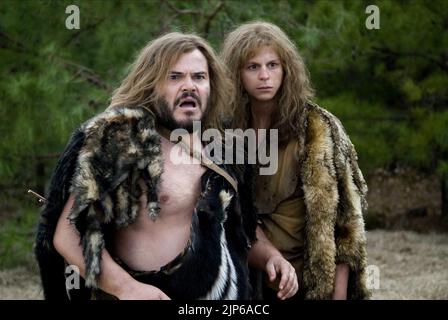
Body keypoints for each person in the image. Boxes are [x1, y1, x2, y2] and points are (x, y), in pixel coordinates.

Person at [34, 32, 297, 300]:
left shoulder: (225, 148)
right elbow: (68, 233)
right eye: (174, 77)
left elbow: (239, 232)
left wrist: (270, 257)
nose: (189, 86)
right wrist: (125, 287)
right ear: (152, 84)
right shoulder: (123, 142)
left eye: (199, 77)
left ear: (211, 86)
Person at [221, 21, 370, 300]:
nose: (264, 75)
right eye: (253, 67)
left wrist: (336, 296)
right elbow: (223, 216)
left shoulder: (317, 127)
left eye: (272, 65)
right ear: (236, 74)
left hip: (309, 282)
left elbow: (346, 223)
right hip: (244, 282)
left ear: (286, 69)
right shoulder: (223, 132)